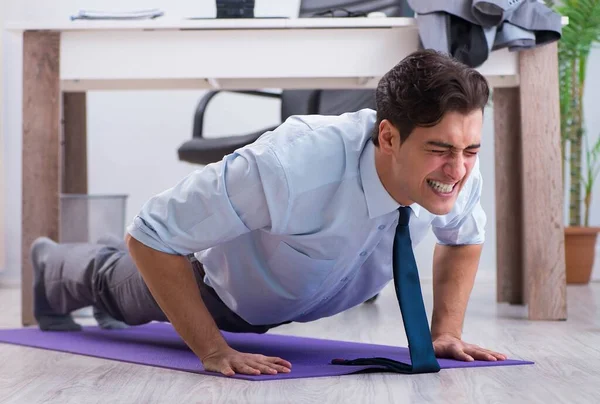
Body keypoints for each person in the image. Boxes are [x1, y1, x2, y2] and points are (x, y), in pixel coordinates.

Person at [31, 49, 507, 377]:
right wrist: (214, 351)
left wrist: (445, 333)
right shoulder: (289, 165)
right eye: (442, 150)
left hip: (283, 297)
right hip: (216, 289)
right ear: (387, 138)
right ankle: (49, 263)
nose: (459, 168)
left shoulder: (454, 165)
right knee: (112, 285)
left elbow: (463, 235)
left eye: (471, 150)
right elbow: (153, 233)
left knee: (124, 283)